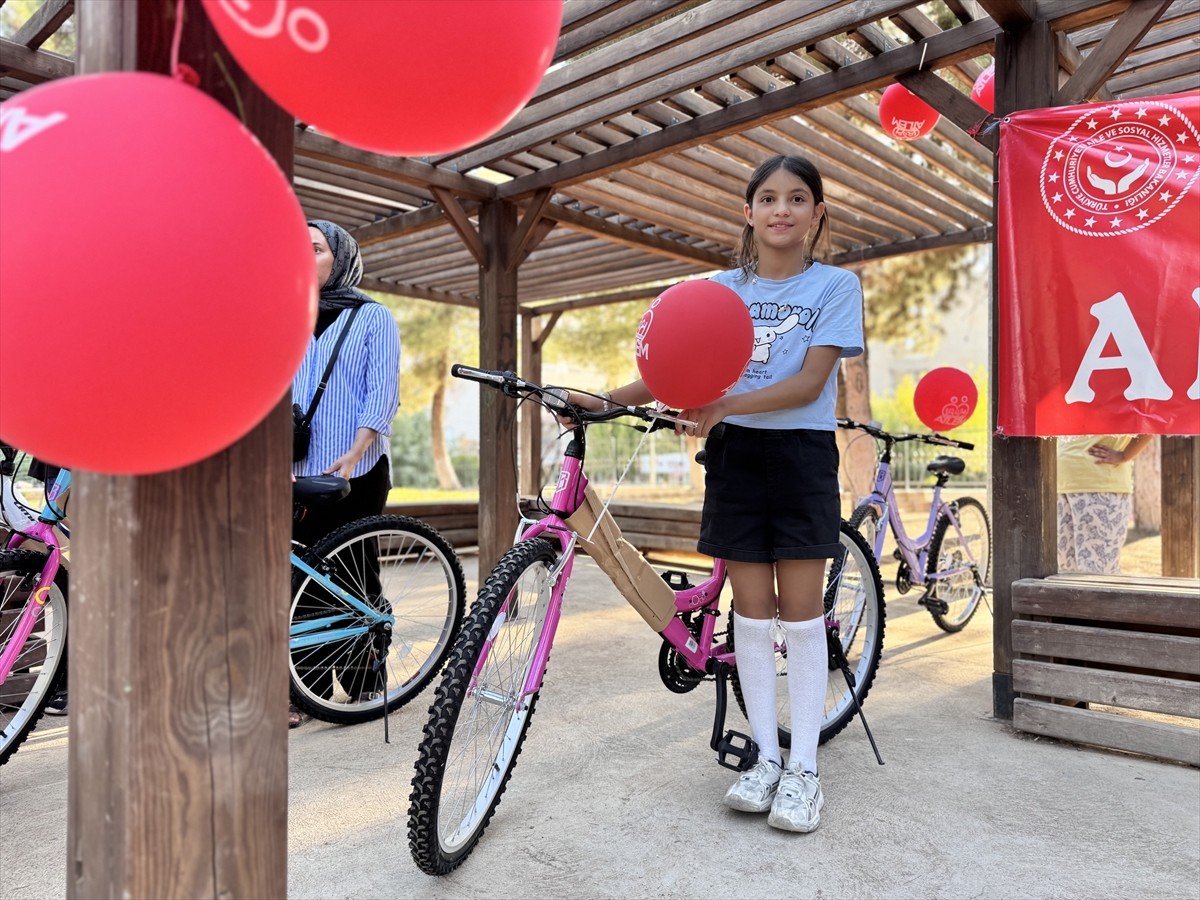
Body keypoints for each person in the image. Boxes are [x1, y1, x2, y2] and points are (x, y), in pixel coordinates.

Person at [561, 155, 863, 832]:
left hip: (800, 457)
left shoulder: (835, 287)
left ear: (817, 214)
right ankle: (763, 758)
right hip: (735, 458)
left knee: (801, 612)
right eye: (767, 198)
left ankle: (804, 769)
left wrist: (725, 403)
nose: (781, 210)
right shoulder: (718, 289)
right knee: (751, 614)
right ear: (747, 212)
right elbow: (671, 365)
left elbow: (810, 384)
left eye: (796, 199)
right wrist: (604, 400)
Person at [290, 220, 401, 727]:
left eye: (315, 248)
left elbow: (382, 395)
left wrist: (354, 457)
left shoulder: (374, 318)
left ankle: (362, 685)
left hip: (356, 469)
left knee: (356, 572)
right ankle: (310, 692)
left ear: (340, 257)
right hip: (294, 473)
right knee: (302, 580)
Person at [1056, 434, 1153, 574]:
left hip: (1100, 486)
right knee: (1065, 569)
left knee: (1098, 569)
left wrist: (1124, 456)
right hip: (1062, 485)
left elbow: (1148, 429)